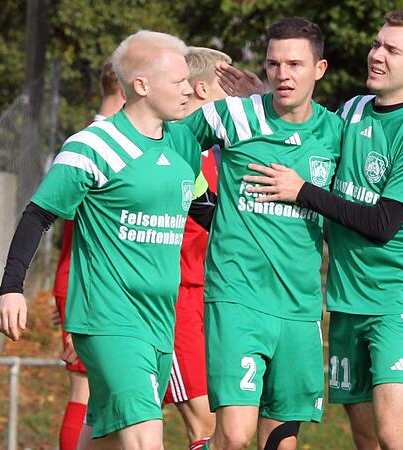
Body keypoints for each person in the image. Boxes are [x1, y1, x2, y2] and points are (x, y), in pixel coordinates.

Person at [242, 10, 403, 450]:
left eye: (392, 50)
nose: (376, 55)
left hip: (398, 300)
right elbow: (309, 139)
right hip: (345, 300)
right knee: (366, 437)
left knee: (396, 437)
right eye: (377, 44)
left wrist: (302, 192)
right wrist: (264, 99)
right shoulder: (353, 109)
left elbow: (381, 225)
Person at [0, 30, 203, 450]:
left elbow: (200, 208)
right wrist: (11, 289)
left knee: (102, 439)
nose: (190, 89)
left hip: (160, 320)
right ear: (141, 85)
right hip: (110, 319)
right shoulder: (93, 146)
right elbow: (38, 214)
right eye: (179, 81)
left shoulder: (183, 142)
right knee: (146, 438)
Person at [180, 17, 342, 450]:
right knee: (234, 435)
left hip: (300, 304)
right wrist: (201, 203)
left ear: (319, 69)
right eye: (274, 64)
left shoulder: (336, 133)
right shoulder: (232, 114)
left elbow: (371, 194)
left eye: (295, 64)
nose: (283, 74)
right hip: (237, 296)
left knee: (281, 442)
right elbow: (169, 147)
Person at [52, 58, 126, 450]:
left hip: (89, 283)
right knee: (84, 390)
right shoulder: (95, 143)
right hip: (91, 285)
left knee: (105, 396)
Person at [164, 46, 231, 450]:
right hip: (175, 304)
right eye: (230, 86)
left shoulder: (214, 155)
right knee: (205, 425)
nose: (239, 98)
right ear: (202, 90)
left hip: (212, 301)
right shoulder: (173, 147)